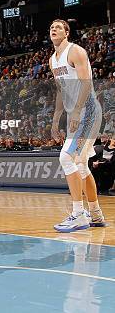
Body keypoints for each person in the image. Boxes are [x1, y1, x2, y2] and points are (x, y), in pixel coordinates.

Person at [49, 19, 106, 232]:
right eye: (51, 28)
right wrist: (56, 119)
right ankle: (96, 214)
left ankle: (78, 214)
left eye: (58, 27)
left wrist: (76, 110)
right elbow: (60, 91)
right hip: (77, 114)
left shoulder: (76, 52)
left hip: (88, 111)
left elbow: (87, 83)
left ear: (66, 32)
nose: (53, 29)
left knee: (66, 157)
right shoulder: (52, 60)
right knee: (81, 165)